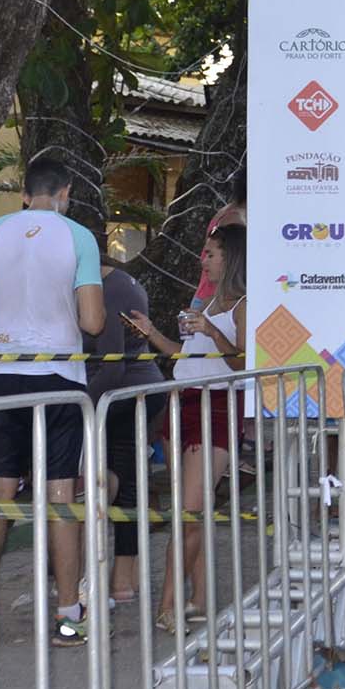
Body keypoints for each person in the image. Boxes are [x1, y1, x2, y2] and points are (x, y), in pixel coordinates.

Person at [0, 156, 106, 647]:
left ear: (24, 192)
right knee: (61, 497)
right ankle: (67, 614)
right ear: (66, 191)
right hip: (59, 377)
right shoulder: (80, 236)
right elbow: (94, 322)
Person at [123, 225, 246, 633]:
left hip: (216, 405)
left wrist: (211, 332)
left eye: (210, 253)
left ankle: (169, 605)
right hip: (184, 400)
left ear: (230, 257)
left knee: (190, 510)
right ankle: (200, 599)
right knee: (193, 510)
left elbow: (242, 364)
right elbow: (186, 354)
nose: (203, 259)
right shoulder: (208, 303)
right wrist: (152, 332)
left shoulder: (243, 305)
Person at [86, 252, 166, 611]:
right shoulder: (123, 282)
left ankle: (117, 578)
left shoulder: (110, 288)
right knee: (126, 481)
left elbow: (112, 365)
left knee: (112, 482)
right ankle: (123, 580)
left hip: (125, 393)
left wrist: (81, 405)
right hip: (135, 391)